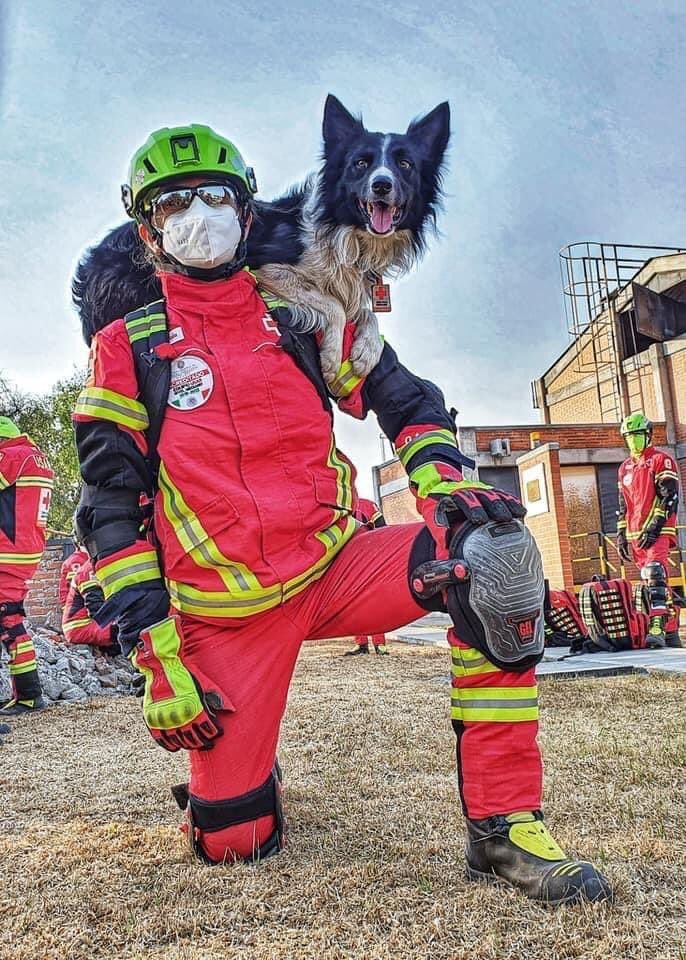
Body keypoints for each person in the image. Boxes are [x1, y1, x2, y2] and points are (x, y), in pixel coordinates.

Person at [72, 123, 611, 904]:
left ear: (248, 212)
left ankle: (505, 827)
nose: (201, 214)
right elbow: (111, 512)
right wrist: (157, 664)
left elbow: (406, 400)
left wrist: (444, 488)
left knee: (493, 554)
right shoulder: (126, 346)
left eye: (217, 196)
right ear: (147, 229)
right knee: (233, 844)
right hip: (226, 613)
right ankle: (245, 776)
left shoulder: (302, 310)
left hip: (336, 568)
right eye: (175, 202)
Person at [0, 416, 54, 716]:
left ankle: (30, 695)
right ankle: (28, 693)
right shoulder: (37, 457)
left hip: (6, 550)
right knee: (9, 619)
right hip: (25, 550)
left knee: (8, 619)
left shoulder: (11, 456)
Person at [617, 412, 681, 648]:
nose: (633, 441)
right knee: (652, 583)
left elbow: (669, 496)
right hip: (635, 533)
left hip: (657, 531)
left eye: (637, 435)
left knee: (655, 575)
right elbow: (623, 503)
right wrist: (621, 534)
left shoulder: (660, 460)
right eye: (629, 436)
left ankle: (657, 626)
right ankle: (672, 630)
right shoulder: (624, 468)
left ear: (648, 435)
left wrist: (656, 525)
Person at [344, 496, 390, 656]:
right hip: (347, 562)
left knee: (374, 601)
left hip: (368, 560)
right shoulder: (336, 509)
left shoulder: (366, 505)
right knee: (352, 603)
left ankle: (379, 643)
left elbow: (382, 527)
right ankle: (361, 644)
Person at [62, 554, 119, 651]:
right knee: (129, 627)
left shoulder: (97, 564)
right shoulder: (88, 571)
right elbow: (96, 609)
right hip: (80, 627)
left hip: (85, 623)